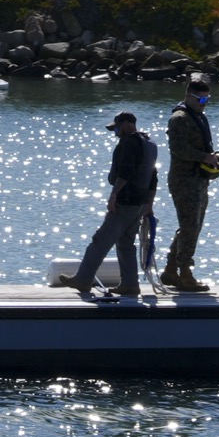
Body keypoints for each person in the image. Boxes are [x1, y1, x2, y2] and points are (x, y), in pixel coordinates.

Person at [54, 110, 159, 299]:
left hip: (126, 202)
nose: (116, 133)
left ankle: (83, 280)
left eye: (117, 128)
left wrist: (113, 195)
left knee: (100, 241)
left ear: (128, 125)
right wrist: (149, 205)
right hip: (140, 204)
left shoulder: (128, 143)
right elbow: (153, 177)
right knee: (126, 243)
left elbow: (125, 172)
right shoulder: (149, 144)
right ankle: (130, 285)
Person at [161, 74, 219, 292]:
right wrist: (204, 157)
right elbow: (178, 149)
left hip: (199, 179)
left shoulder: (199, 117)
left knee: (192, 226)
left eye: (207, 100)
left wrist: (214, 156)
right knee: (190, 226)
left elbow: (201, 147)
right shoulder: (179, 119)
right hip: (184, 180)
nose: (204, 104)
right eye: (201, 100)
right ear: (189, 97)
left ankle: (171, 270)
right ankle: (185, 274)